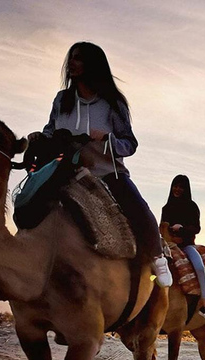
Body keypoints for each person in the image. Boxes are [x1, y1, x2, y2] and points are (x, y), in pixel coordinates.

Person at [28, 41, 172, 287]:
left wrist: (107, 138)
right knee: (30, 203)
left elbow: (130, 144)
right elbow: (50, 130)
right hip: (64, 171)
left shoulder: (113, 103)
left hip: (106, 172)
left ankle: (158, 258)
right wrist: (40, 138)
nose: (72, 63)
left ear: (93, 65)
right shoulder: (62, 99)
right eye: (71, 58)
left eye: (79, 58)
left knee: (137, 207)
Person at [161, 175, 205, 322]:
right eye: (175, 186)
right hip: (168, 245)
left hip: (186, 245)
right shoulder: (166, 208)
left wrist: (182, 229)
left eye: (181, 187)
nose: (177, 189)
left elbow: (196, 228)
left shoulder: (191, 206)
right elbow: (162, 226)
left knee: (199, 267)